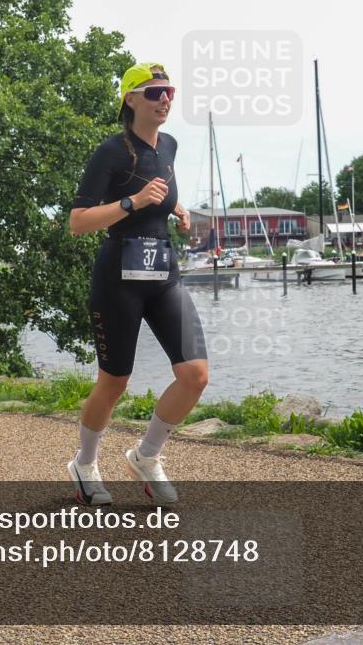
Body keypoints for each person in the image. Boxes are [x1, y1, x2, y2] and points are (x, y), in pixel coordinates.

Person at [67, 62, 209, 506]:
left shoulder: (169, 144)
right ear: (130, 99)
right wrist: (131, 202)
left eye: (170, 91)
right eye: (154, 92)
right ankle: (85, 463)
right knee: (115, 382)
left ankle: (146, 456)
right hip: (118, 278)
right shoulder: (110, 151)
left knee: (195, 375)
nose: (165, 99)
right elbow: (78, 222)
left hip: (162, 272)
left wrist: (177, 209)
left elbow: (159, 190)